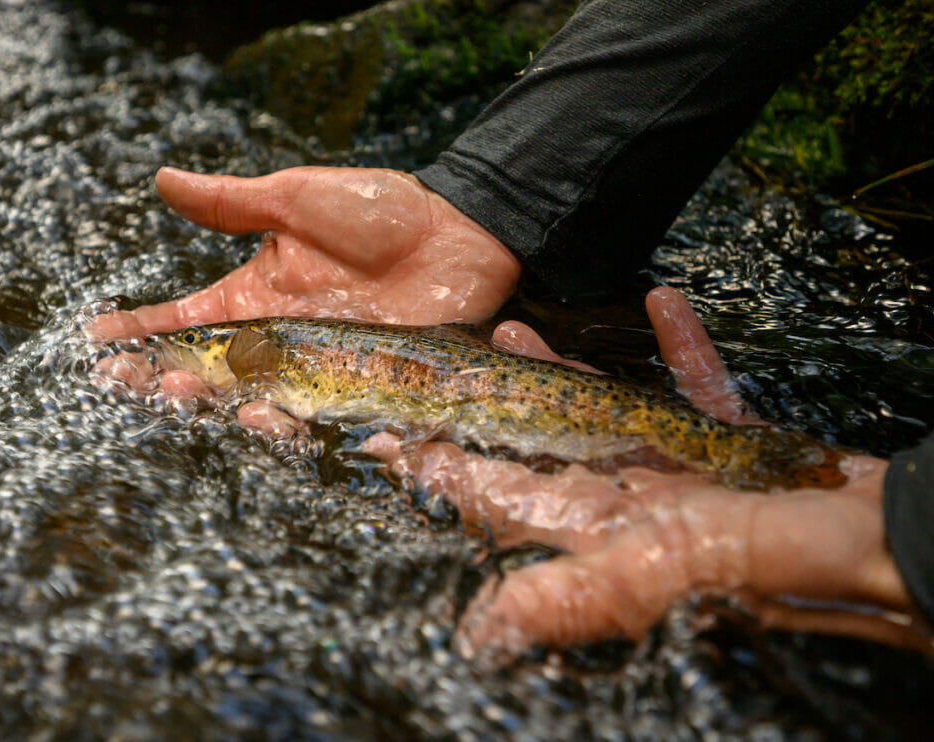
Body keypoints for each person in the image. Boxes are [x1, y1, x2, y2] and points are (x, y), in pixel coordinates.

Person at [92, 0, 934, 659]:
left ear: (247, 351)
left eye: (203, 346)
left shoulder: (265, 355)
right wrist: (497, 199)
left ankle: (743, 459)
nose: (191, 348)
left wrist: (905, 535)